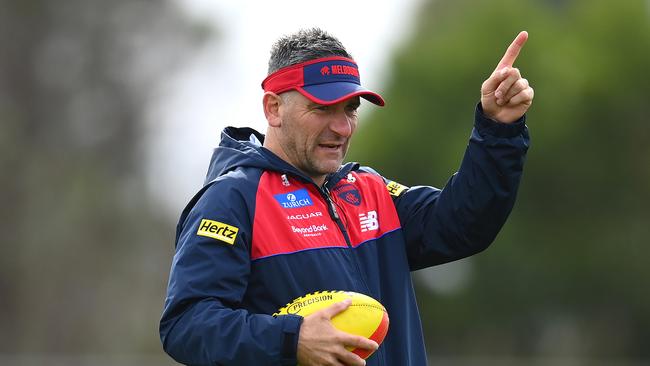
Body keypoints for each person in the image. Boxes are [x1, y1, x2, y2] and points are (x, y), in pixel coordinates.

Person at [159, 28, 533, 366]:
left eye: (350, 109)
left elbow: (464, 224)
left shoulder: (368, 189)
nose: (341, 128)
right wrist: (292, 339)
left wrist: (498, 130)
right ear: (273, 108)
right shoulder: (233, 198)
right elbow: (186, 324)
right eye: (322, 108)